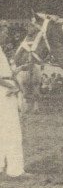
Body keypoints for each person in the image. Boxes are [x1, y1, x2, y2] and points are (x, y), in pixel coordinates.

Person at [0, 24, 30, 178]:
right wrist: (14, 88)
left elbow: (5, 73)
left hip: (5, 90)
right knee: (12, 132)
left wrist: (19, 69)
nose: (6, 36)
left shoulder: (1, 51)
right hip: (4, 93)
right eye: (4, 32)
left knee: (3, 130)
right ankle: (15, 170)